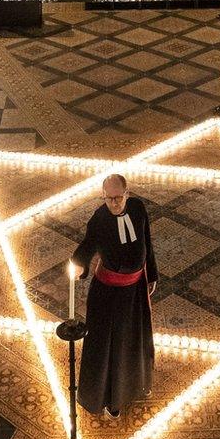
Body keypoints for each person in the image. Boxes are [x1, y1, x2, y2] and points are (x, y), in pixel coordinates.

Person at [68, 173, 157, 418]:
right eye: (109, 199)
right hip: (108, 296)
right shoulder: (100, 218)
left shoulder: (138, 209)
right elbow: (88, 245)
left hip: (135, 290)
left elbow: (147, 242)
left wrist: (152, 275)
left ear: (127, 194)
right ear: (103, 196)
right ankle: (111, 398)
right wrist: (78, 264)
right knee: (112, 348)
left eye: (118, 198)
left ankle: (138, 383)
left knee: (134, 340)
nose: (114, 203)